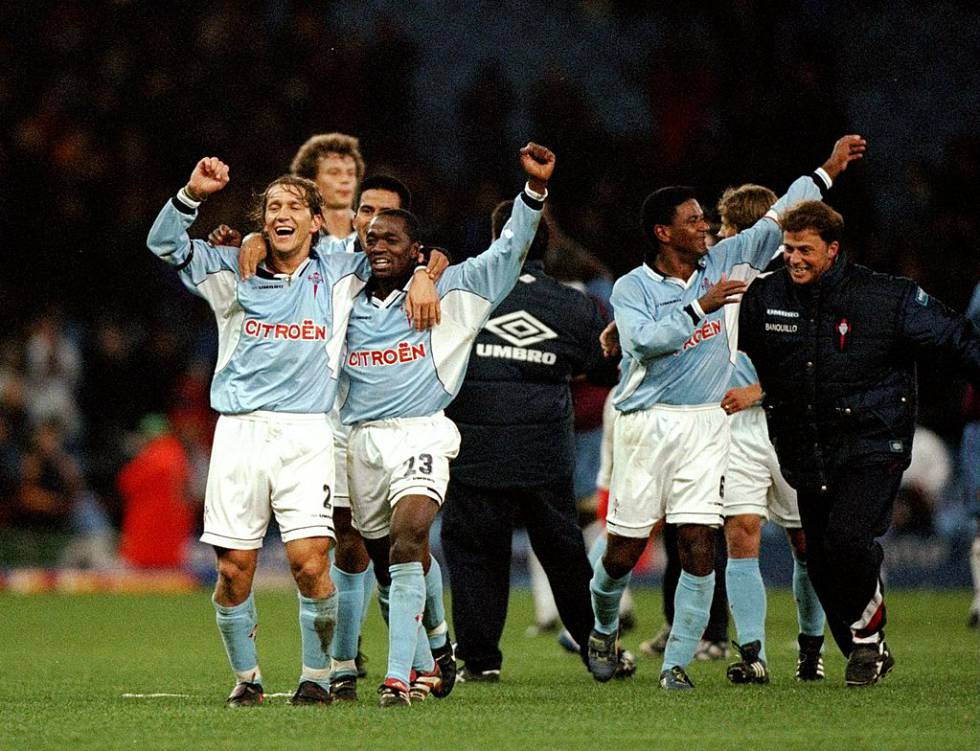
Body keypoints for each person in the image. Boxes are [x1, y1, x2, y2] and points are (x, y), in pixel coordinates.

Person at [146, 156, 437, 706]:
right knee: (234, 570)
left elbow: (403, 248)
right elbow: (163, 245)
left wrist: (424, 270)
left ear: (315, 222)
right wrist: (191, 194)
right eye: (273, 206)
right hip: (239, 433)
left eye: (294, 207)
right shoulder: (234, 266)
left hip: (306, 435)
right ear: (263, 220)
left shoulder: (339, 270)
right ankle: (247, 679)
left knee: (309, 562)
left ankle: (317, 675)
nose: (283, 214)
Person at [587, 135, 865, 690]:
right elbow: (642, 343)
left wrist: (828, 169)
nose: (706, 228)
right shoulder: (632, 287)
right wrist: (700, 306)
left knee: (698, 544)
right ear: (663, 233)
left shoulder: (728, 259)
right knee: (622, 551)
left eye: (705, 220)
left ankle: (676, 666)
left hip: (706, 424)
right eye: (692, 221)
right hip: (647, 423)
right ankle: (601, 628)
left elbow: (783, 209)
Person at [338, 142, 554, 707]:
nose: (378, 247)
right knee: (386, 563)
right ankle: (437, 646)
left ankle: (397, 680)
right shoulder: (342, 297)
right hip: (361, 441)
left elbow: (508, 251)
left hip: (422, 432)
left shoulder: (456, 292)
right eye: (371, 240)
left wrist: (532, 193)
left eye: (393, 241)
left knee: (412, 537)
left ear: (418, 251)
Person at [738, 200, 980, 686]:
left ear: (832, 249)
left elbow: (957, 338)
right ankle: (865, 646)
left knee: (848, 539)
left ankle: (868, 642)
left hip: (873, 442)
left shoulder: (886, 298)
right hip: (807, 446)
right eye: (787, 249)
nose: (794, 259)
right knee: (821, 561)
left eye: (805, 249)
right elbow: (718, 343)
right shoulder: (765, 297)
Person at [235, 173, 452, 702]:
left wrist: (426, 269)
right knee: (352, 544)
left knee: (399, 543)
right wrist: (248, 238)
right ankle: (349, 661)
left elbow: (436, 257)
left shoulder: (378, 266)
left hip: (370, 422)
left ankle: (431, 648)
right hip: (325, 425)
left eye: (384, 215)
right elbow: (271, 246)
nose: (371, 224)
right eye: (364, 212)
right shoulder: (327, 256)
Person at [440, 199, 633, 683]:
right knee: (565, 556)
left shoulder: (463, 294)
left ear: (495, 241)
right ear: (549, 245)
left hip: (473, 451)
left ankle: (480, 661)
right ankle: (596, 648)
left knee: (476, 557)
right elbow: (606, 367)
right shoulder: (574, 305)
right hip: (543, 452)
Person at [713, 184, 828, 684]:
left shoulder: (798, 288)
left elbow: (820, 362)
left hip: (789, 423)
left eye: (725, 229)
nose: (718, 237)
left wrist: (758, 391)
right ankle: (753, 654)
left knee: (807, 541)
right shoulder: (716, 285)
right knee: (742, 534)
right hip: (735, 430)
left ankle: (811, 649)